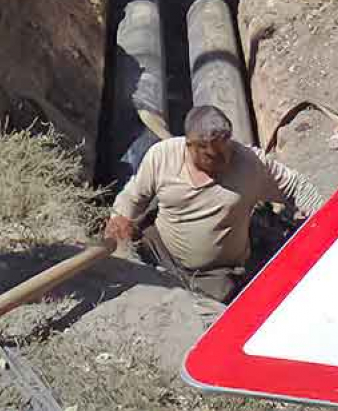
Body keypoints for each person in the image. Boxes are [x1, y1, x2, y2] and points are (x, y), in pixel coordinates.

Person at [105, 105, 323, 301]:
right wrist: (119, 219)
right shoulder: (162, 157)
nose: (223, 161)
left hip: (214, 273)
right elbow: (133, 197)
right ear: (189, 146)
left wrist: (329, 216)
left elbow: (296, 187)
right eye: (211, 156)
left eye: (226, 151)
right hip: (160, 247)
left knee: (217, 304)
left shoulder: (249, 165)